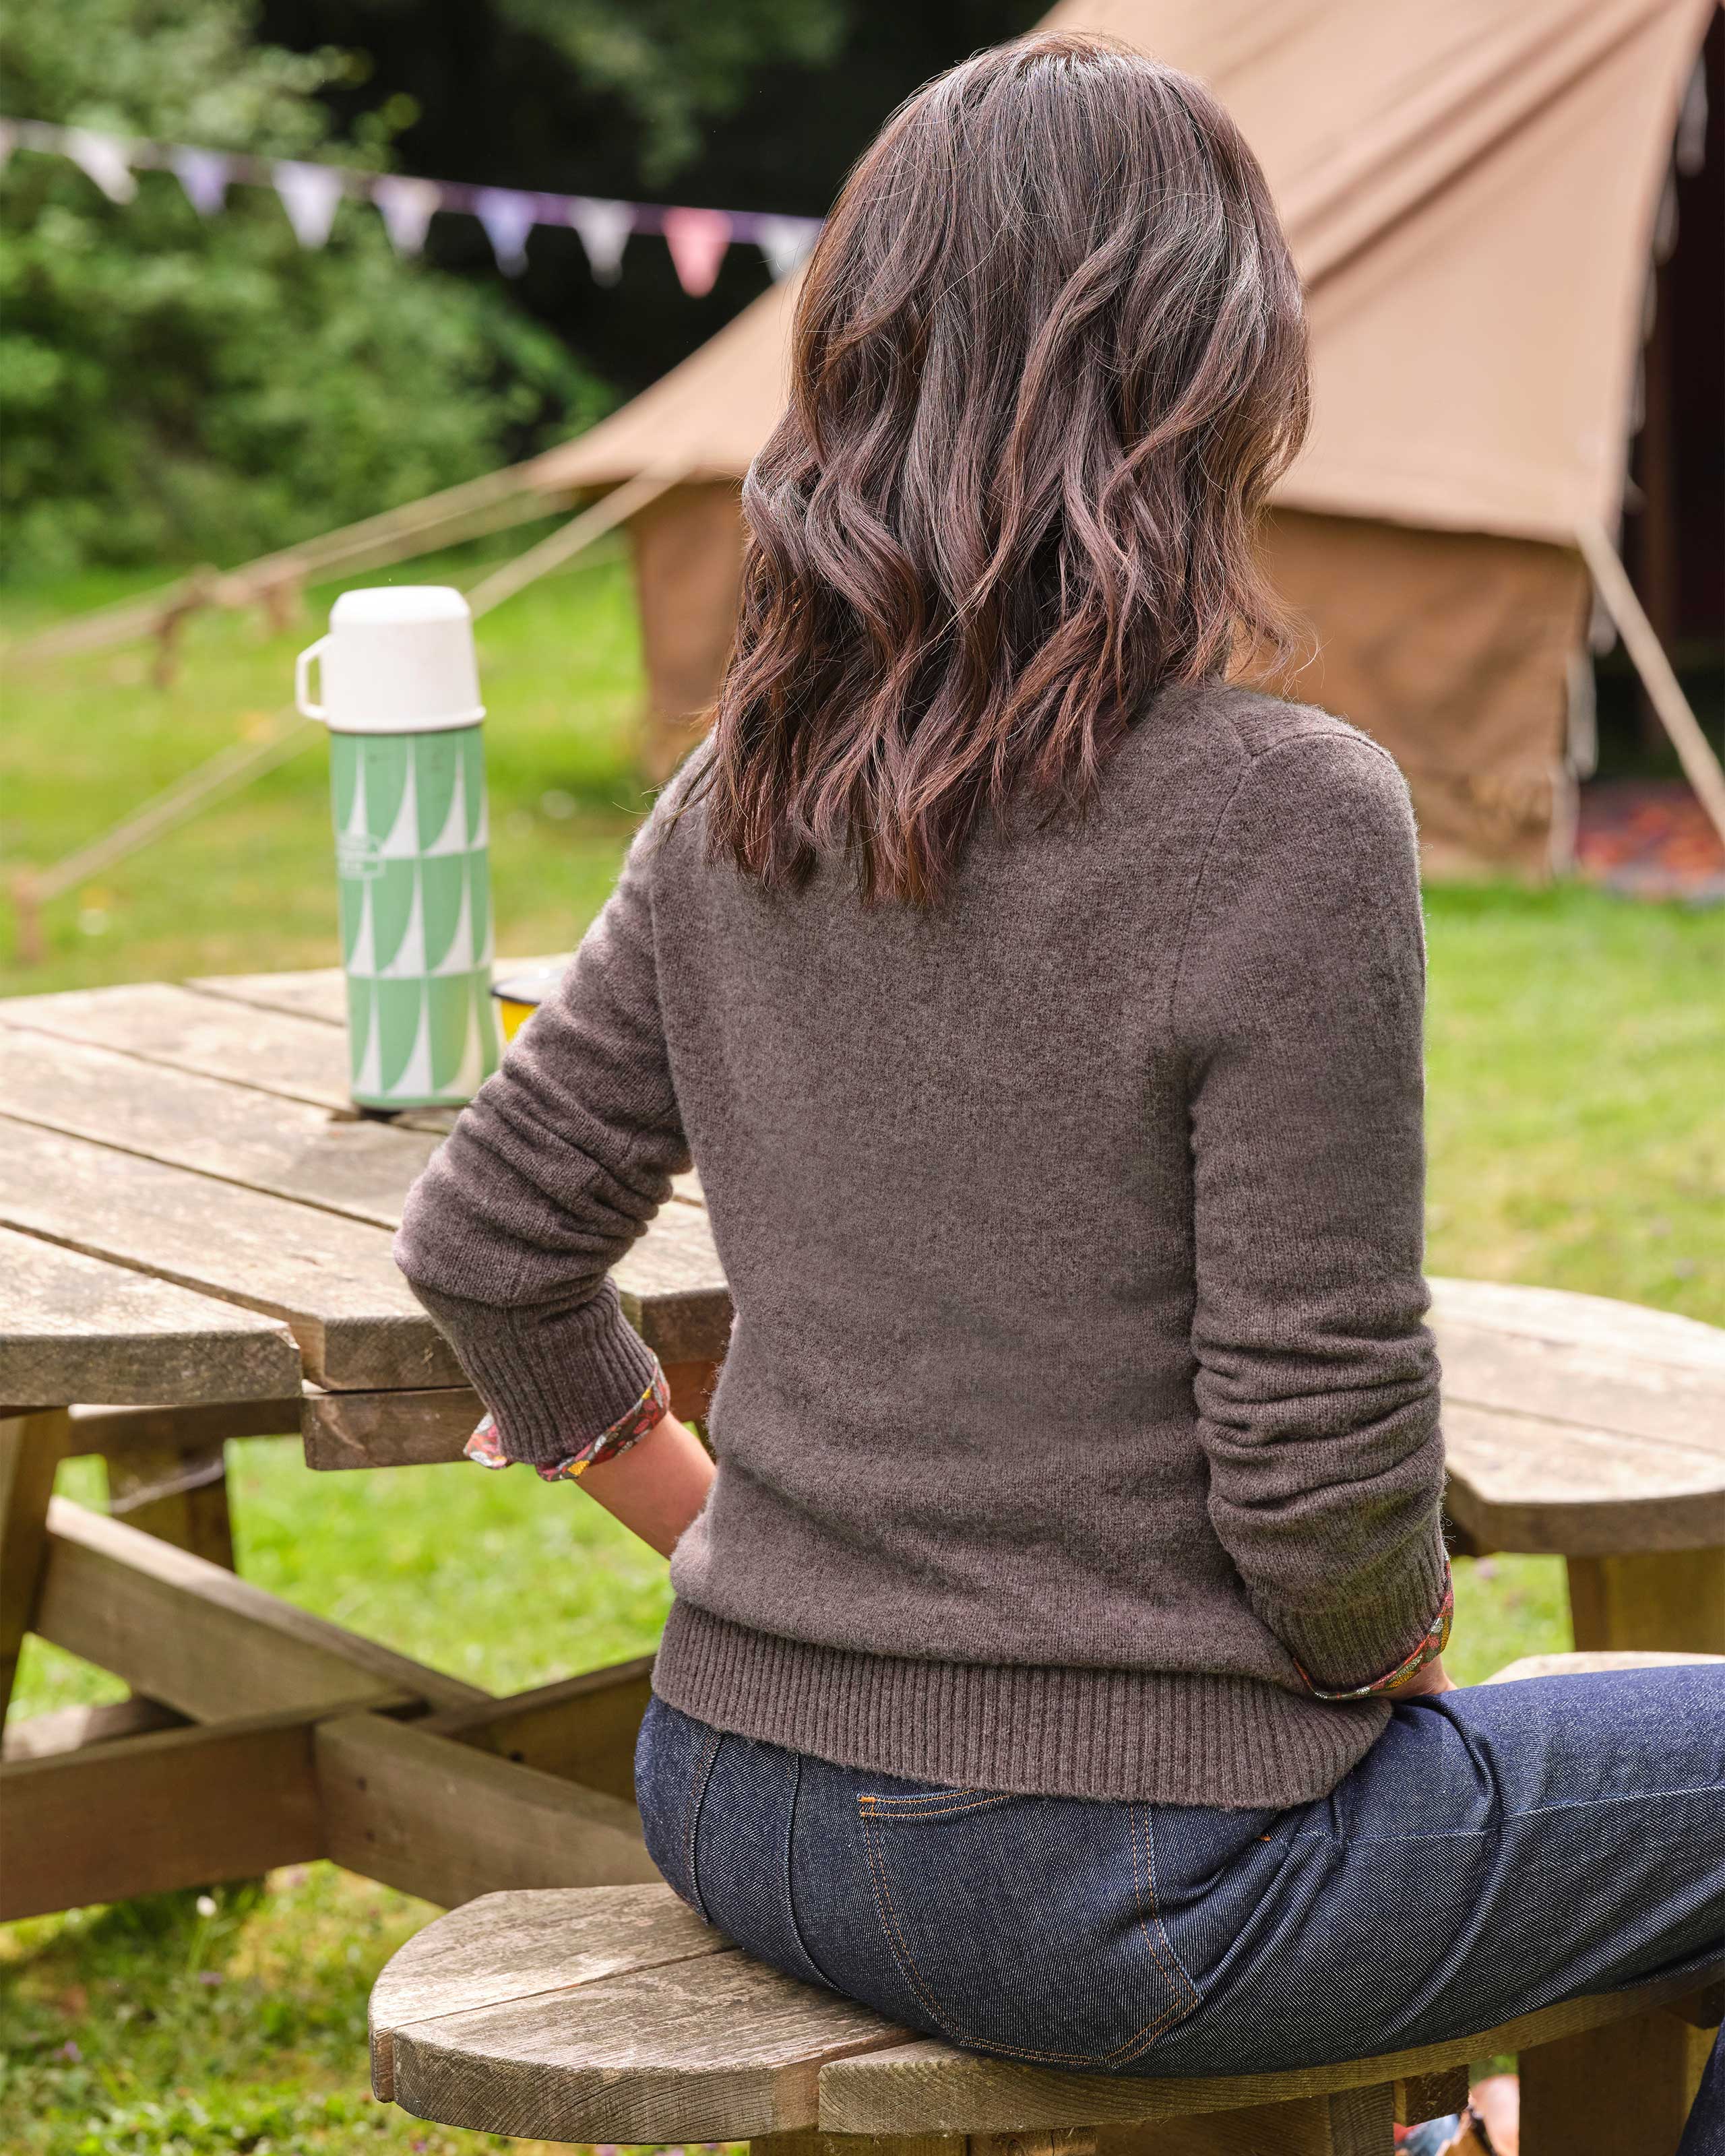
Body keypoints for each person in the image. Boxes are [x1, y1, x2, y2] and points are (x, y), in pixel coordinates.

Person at [395, 31, 1724, 2143]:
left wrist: (711, 1531)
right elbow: (1318, 1487)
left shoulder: (747, 788)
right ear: (1215, 377)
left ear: (856, 370)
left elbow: (487, 1245)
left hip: (731, 1792)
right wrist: (1396, 1648)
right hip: (1125, 1882)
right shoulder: (1290, 817)